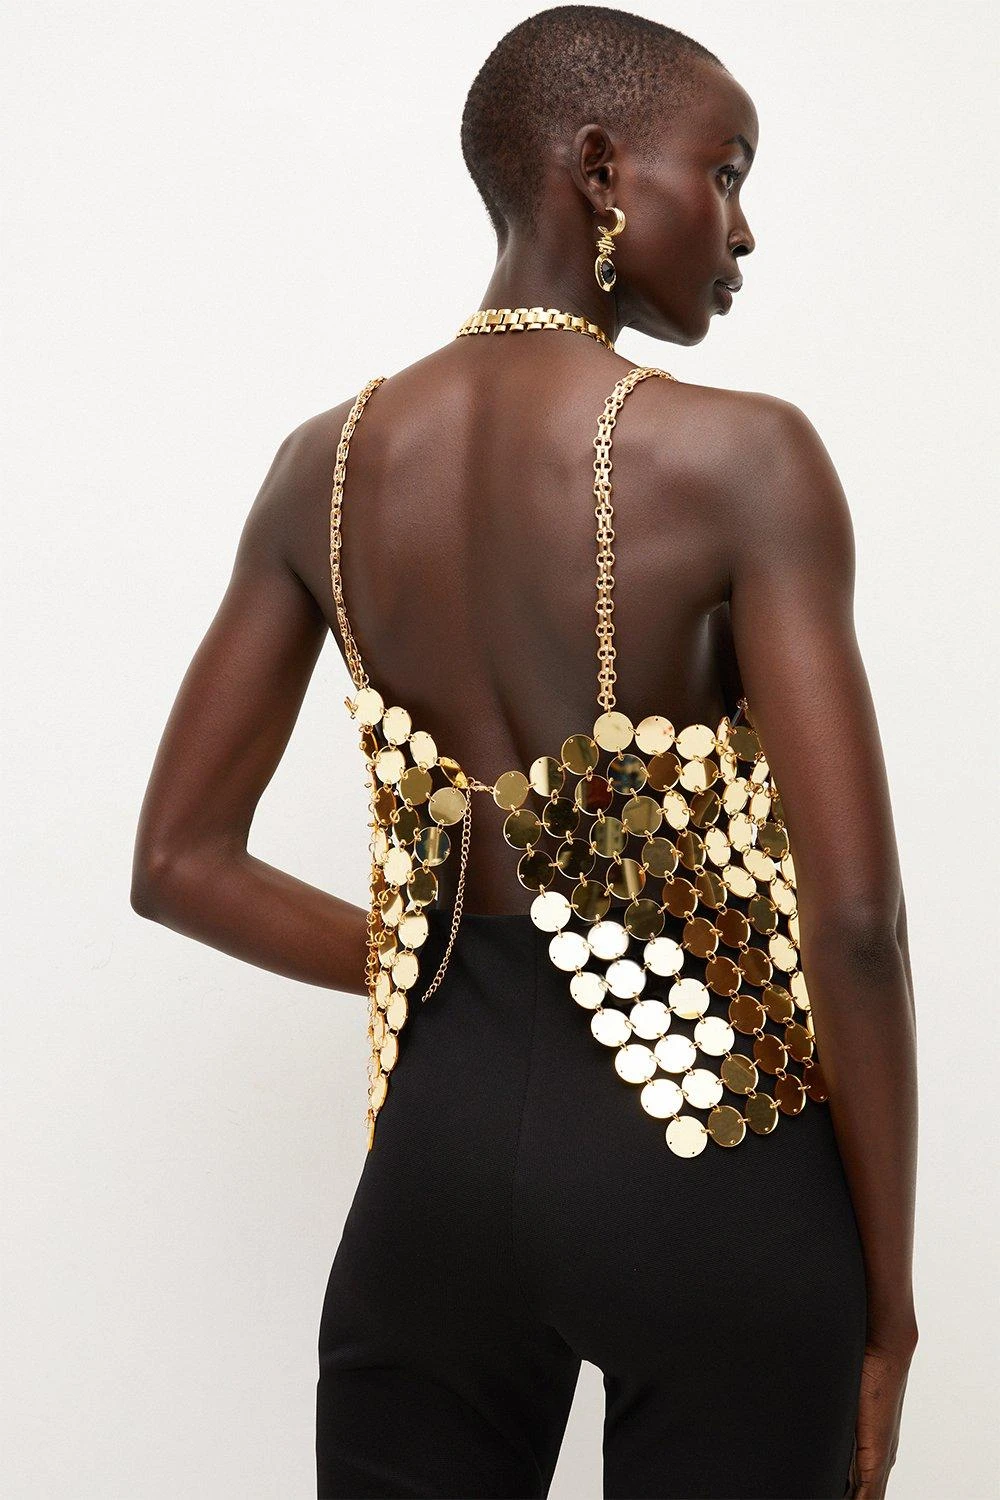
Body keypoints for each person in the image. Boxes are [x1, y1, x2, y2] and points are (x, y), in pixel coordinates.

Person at [130, 6, 918, 1498]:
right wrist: (888, 1308)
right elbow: (860, 922)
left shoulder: (321, 467)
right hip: (711, 1143)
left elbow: (176, 862)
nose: (743, 230)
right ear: (603, 171)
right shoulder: (745, 456)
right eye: (726, 172)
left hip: (434, 1162)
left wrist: (413, 953)